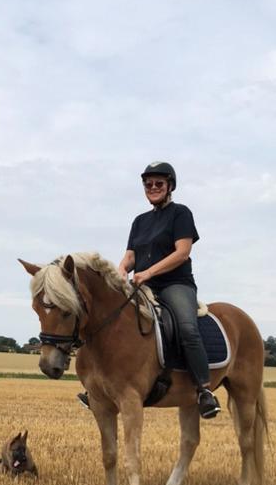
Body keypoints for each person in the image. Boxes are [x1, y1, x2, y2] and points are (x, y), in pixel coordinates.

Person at [77, 161, 221, 417]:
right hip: (143, 284)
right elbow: (131, 256)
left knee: (187, 328)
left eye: (159, 183)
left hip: (175, 285)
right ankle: (98, 388)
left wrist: (149, 272)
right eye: (148, 184)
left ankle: (204, 390)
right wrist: (121, 270)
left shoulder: (181, 213)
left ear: (170, 186)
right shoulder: (140, 221)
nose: (153, 188)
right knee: (110, 320)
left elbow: (182, 253)